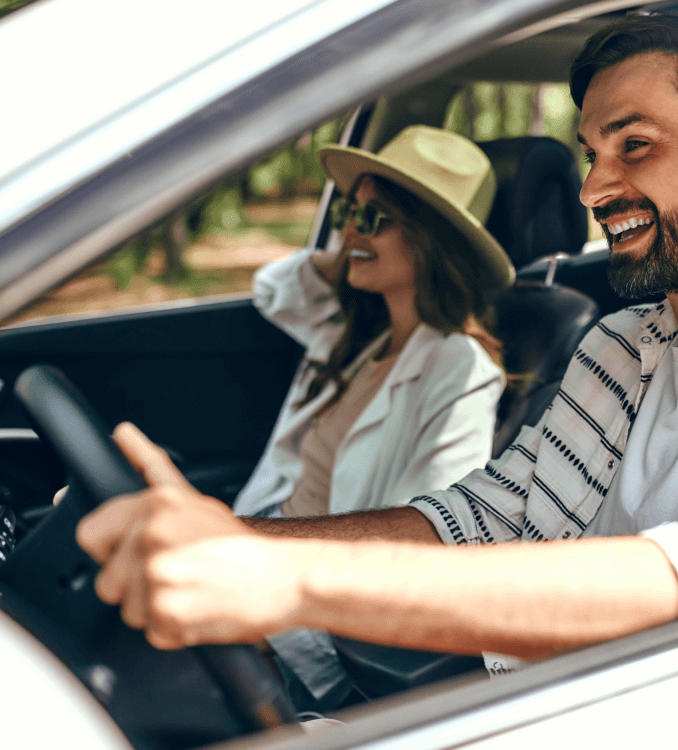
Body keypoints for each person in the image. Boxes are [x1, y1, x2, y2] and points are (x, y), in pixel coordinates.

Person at [77, 9, 678, 687]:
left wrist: (286, 578)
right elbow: (473, 519)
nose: (594, 185)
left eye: (634, 145)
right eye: (590, 149)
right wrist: (236, 541)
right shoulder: (619, 346)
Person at [231, 125, 515, 708]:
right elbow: (272, 289)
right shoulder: (360, 334)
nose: (352, 228)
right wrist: (351, 249)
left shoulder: (460, 371)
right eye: (348, 211)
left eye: (375, 217)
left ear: (432, 240)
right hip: (259, 549)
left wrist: (257, 595)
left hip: (303, 616)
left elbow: (425, 538)